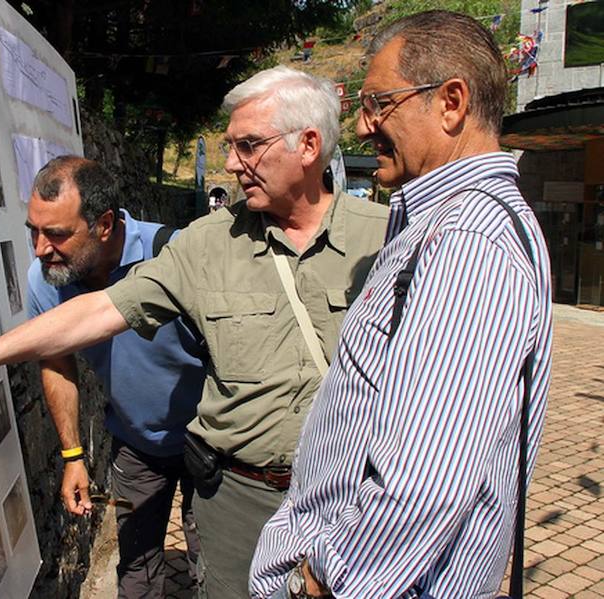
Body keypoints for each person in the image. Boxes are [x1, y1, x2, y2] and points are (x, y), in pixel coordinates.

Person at [0, 66, 389, 599]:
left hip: (353, 496)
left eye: (248, 146)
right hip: (224, 486)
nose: (232, 163)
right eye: (232, 146)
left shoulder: (390, 239)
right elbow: (93, 318)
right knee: (172, 572)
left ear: (308, 145)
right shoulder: (205, 243)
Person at [249, 11, 552, 599]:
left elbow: (426, 480)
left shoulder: (467, 240)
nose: (363, 128)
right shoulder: (442, 223)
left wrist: (322, 581)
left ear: (451, 103)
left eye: (377, 104)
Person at [25, 155, 206, 599]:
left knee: (213, 568)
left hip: (210, 443)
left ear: (104, 224)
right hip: (136, 449)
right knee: (138, 570)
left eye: (56, 234)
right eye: (34, 230)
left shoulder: (176, 254)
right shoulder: (47, 280)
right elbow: (57, 361)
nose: (40, 249)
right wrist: (72, 455)